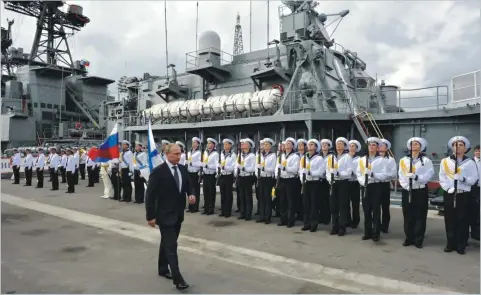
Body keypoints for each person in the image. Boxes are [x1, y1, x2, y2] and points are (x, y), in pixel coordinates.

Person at [145, 143, 195, 290]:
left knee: (167, 243)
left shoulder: (182, 169)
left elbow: (189, 184)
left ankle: (162, 268)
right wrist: (150, 216)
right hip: (164, 215)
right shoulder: (158, 172)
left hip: (178, 214)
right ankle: (178, 279)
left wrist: (191, 194)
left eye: (180, 153)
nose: (179, 156)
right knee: (172, 246)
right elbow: (150, 195)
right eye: (175, 154)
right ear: (167, 154)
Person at [439, 136, 478, 254]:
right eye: (455, 145)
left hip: (463, 194)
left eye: (461, 145)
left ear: (465, 148)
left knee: (463, 220)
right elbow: (442, 177)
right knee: (449, 219)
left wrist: (463, 178)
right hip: (450, 193)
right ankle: (450, 243)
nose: (458, 147)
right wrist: (447, 188)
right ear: (452, 147)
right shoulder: (445, 161)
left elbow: (474, 179)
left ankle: (461, 244)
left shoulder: (470, 162)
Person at [398, 137, 434, 248]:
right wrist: (405, 185)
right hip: (407, 189)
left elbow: (429, 174)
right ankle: (409, 237)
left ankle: (418, 239)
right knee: (408, 214)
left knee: (420, 215)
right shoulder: (403, 160)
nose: (414, 145)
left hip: (420, 190)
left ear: (421, 147)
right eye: (412, 143)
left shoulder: (426, 161)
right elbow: (401, 174)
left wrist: (417, 177)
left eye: (416, 144)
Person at [356, 137, 388, 242]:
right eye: (370, 145)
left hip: (376, 185)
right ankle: (367, 233)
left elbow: (384, 175)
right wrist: (362, 181)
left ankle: (376, 233)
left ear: (377, 147)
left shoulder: (382, 160)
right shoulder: (362, 159)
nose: (371, 147)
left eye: (374, 145)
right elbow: (358, 173)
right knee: (366, 210)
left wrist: (373, 174)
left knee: (376, 210)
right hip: (365, 185)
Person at [326, 137, 353, 236]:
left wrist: (338, 173)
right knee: (333, 206)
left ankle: (342, 227)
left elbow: (349, 172)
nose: (338, 145)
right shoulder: (331, 157)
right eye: (337, 144)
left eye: (341, 144)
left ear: (344, 146)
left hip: (343, 183)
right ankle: (334, 226)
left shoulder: (347, 157)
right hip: (333, 183)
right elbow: (328, 171)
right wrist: (330, 179)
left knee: (343, 206)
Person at [301, 139, 325, 232]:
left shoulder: (319, 158)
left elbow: (321, 171)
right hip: (306, 182)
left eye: (312, 145)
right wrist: (302, 178)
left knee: (314, 204)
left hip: (315, 182)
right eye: (308, 145)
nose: (309, 146)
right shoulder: (304, 157)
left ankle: (313, 224)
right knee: (306, 203)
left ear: (315, 147)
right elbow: (301, 169)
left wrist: (310, 172)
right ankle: (306, 223)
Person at [276, 137, 300, 227]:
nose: (287, 145)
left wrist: (285, 168)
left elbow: (295, 170)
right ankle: (283, 219)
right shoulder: (281, 156)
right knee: (282, 201)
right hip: (282, 179)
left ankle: (290, 220)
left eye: (289, 143)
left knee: (290, 201)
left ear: (293, 146)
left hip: (291, 180)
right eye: (286, 143)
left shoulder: (295, 156)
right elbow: (277, 167)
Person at [379, 139, 397, 233]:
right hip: (374, 184)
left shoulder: (390, 160)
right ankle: (376, 225)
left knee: (385, 207)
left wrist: (382, 175)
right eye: (379, 145)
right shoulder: (371, 159)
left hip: (385, 184)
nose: (380, 147)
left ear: (386, 148)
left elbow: (393, 174)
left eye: (382, 145)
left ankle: (385, 226)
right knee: (375, 206)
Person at [236, 138, 256, 221]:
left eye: (245, 144)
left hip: (248, 177)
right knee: (241, 196)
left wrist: (243, 168)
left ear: (249, 146)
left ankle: (248, 214)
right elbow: (236, 165)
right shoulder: (240, 155)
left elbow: (252, 168)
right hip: (240, 177)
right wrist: (236, 172)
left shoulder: (252, 156)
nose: (242, 145)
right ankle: (242, 213)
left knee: (248, 197)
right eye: (242, 144)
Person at [257, 138, 276, 224]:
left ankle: (268, 217)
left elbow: (272, 169)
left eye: (267, 144)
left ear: (270, 146)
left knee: (267, 197)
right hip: (261, 177)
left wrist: (264, 168)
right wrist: (257, 173)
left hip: (268, 178)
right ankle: (262, 216)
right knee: (261, 197)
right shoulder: (260, 155)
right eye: (264, 144)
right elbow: (256, 165)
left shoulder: (273, 155)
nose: (265, 146)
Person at [218, 138, 236, 217]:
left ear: (230, 145)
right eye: (224, 144)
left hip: (228, 176)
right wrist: (218, 170)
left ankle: (228, 212)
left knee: (228, 194)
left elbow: (233, 167)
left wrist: (224, 167)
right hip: (222, 175)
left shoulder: (233, 155)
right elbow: (217, 164)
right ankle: (223, 211)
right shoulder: (221, 154)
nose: (225, 146)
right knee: (222, 194)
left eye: (226, 144)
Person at [201, 138, 219, 215]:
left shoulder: (216, 154)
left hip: (211, 174)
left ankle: (211, 208)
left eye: (210, 143)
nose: (208, 144)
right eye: (207, 143)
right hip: (205, 174)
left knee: (211, 192)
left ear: (213, 145)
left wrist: (207, 166)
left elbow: (216, 165)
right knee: (206, 191)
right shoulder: (205, 152)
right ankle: (206, 208)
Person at [347, 140, 361, 229]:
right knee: (346, 203)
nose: (351, 147)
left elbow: (360, 170)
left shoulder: (359, 159)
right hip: (346, 182)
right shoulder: (345, 157)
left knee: (355, 203)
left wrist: (354, 172)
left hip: (355, 182)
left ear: (356, 148)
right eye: (350, 146)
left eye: (353, 146)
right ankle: (347, 220)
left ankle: (355, 221)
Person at [186, 137, 202, 213]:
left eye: (195, 142)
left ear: (198, 144)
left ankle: (195, 207)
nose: (193, 144)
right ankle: (190, 206)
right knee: (190, 190)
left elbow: (200, 164)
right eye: (192, 142)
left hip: (195, 173)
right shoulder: (189, 152)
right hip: (189, 172)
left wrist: (192, 163)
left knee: (195, 190)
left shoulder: (199, 153)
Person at [319, 139, 332, 225]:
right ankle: (321, 217)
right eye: (322, 144)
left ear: (328, 147)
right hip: (319, 179)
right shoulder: (319, 156)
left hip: (327, 180)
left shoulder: (331, 156)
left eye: (326, 145)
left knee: (327, 200)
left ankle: (327, 218)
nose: (324, 146)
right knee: (320, 199)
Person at [470, 145, 480, 241]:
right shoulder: (470, 162)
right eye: (477, 151)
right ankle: (474, 232)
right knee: (474, 211)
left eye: (480, 151)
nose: (478, 153)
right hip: (474, 189)